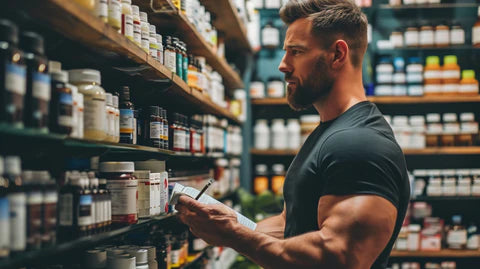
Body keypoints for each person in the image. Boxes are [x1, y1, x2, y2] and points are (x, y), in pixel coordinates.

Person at [175, 0, 410, 268]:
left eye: (296, 52)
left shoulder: (360, 143)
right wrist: (231, 222)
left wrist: (233, 234)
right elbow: (291, 225)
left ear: (337, 54)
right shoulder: (331, 133)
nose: (283, 65)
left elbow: (341, 257)